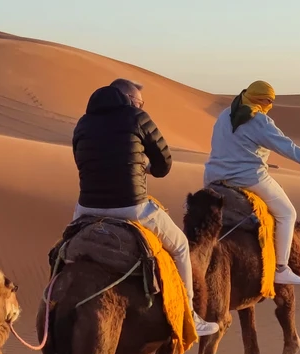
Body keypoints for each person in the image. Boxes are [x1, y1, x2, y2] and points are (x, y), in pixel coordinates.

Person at [70, 78, 221, 337]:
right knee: (181, 247)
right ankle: (190, 316)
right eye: (140, 102)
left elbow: (82, 163)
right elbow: (164, 163)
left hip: (86, 209)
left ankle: (53, 300)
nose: (141, 106)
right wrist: (147, 168)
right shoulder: (137, 118)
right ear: (129, 100)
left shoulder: (83, 123)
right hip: (132, 208)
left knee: (66, 250)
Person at [201, 81, 300, 287]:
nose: (270, 105)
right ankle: (281, 268)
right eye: (268, 101)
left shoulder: (226, 114)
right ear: (261, 100)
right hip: (248, 177)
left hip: (212, 177)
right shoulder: (259, 120)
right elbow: (287, 147)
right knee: (287, 214)